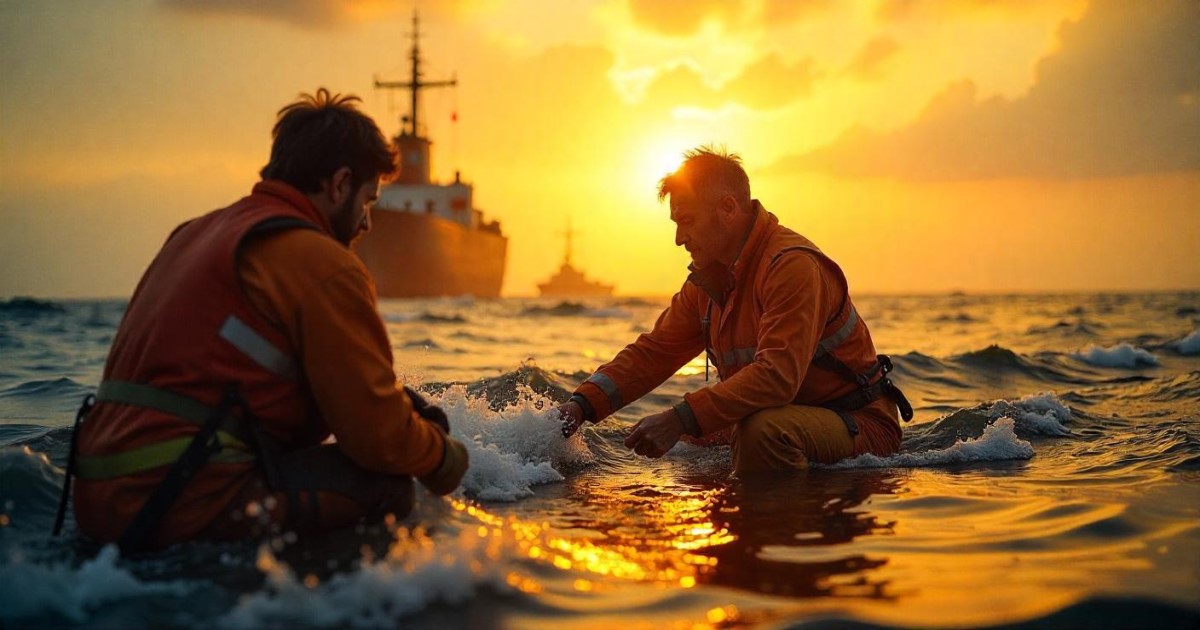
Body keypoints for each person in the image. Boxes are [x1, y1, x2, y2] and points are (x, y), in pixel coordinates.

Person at [60, 88, 469, 552]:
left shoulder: (192, 233)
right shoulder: (323, 262)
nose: (367, 223)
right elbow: (376, 440)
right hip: (175, 501)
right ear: (339, 184)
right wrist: (445, 459)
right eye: (368, 201)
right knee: (386, 486)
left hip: (95, 499)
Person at [558, 146, 911, 474]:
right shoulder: (707, 282)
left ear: (728, 209)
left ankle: (774, 532)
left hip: (858, 423)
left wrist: (680, 417)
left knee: (760, 433)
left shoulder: (792, 267)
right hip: (784, 415)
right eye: (675, 224)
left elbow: (776, 379)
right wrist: (580, 407)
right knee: (684, 444)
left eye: (688, 221)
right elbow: (653, 353)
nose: (679, 238)